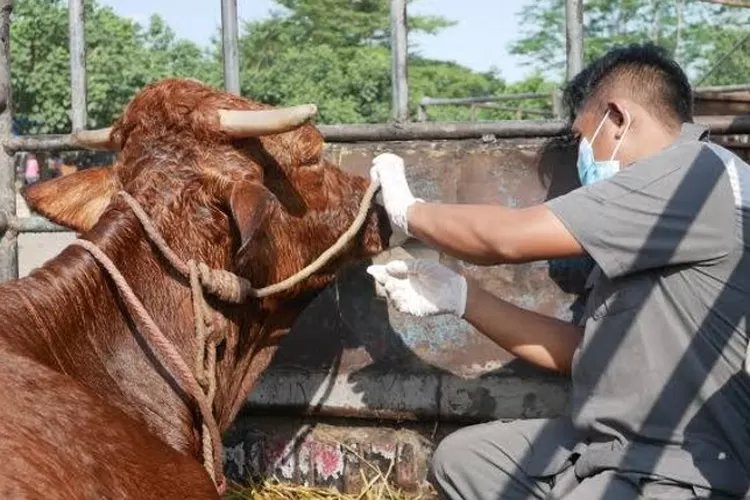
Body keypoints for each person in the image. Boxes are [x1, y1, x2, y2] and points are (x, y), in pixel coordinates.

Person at [368, 43, 750, 499]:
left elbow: (505, 238)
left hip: (678, 462)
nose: (582, 158)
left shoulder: (694, 175)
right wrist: (461, 297)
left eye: (582, 138)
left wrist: (409, 211)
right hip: (608, 446)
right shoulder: (644, 220)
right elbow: (583, 352)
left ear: (618, 119)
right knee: (469, 462)